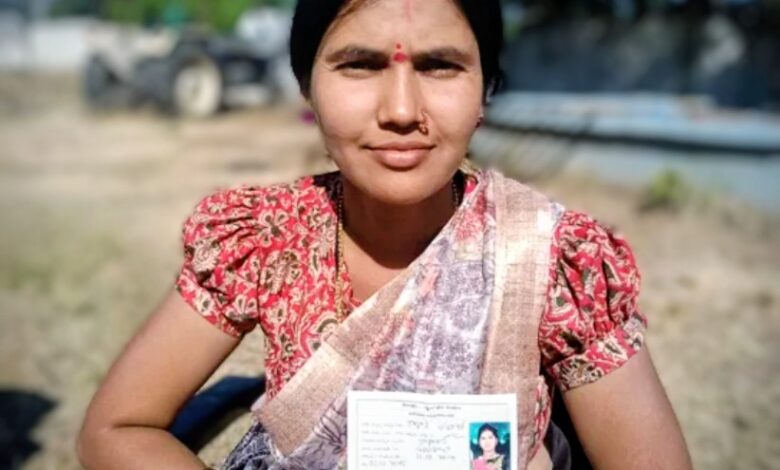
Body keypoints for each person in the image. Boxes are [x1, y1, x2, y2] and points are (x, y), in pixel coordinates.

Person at [77, 0, 694, 469]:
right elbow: (117, 429)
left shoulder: (551, 260)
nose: (401, 111)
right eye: (360, 64)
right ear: (307, 88)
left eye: (440, 65)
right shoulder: (264, 239)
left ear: (485, 90)